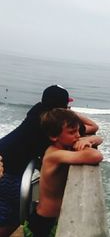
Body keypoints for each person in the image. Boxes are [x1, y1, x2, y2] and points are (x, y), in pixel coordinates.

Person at [0, 85, 98, 237]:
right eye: (67, 105)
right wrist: (69, 114)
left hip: (5, 156)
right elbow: (93, 127)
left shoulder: (38, 112)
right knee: (10, 217)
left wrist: (66, 113)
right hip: (8, 168)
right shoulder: (52, 126)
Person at [24, 109, 102, 237]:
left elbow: (97, 136)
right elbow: (96, 156)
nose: (78, 135)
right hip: (44, 222)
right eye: (72, 132)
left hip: (55, 218)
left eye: (78, 131)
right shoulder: (54, 154)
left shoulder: (65, 144)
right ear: (54, 137)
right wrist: (86, 144)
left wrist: (89, 140)